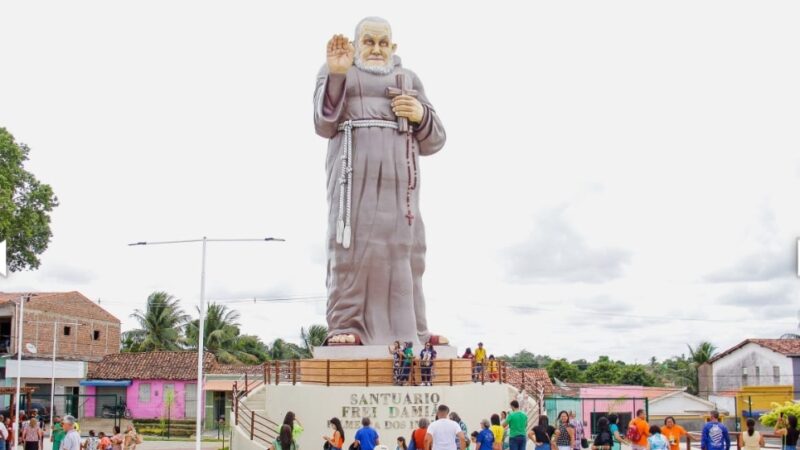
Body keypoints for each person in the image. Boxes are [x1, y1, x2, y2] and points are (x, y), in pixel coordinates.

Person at [317, 17, 447, 347]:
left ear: (393, 47)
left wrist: (419, 114)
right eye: (369, 42)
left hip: (400, 186)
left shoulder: (409, 79)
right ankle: (347, 324)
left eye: (383, 43)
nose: (376, 49)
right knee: (352, 248)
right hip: (353, 181)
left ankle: (414, 330)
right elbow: (323, 123)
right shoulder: (339, 69)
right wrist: (336, 75)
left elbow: (436, 140)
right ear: (356, 44)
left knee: (408, 252)